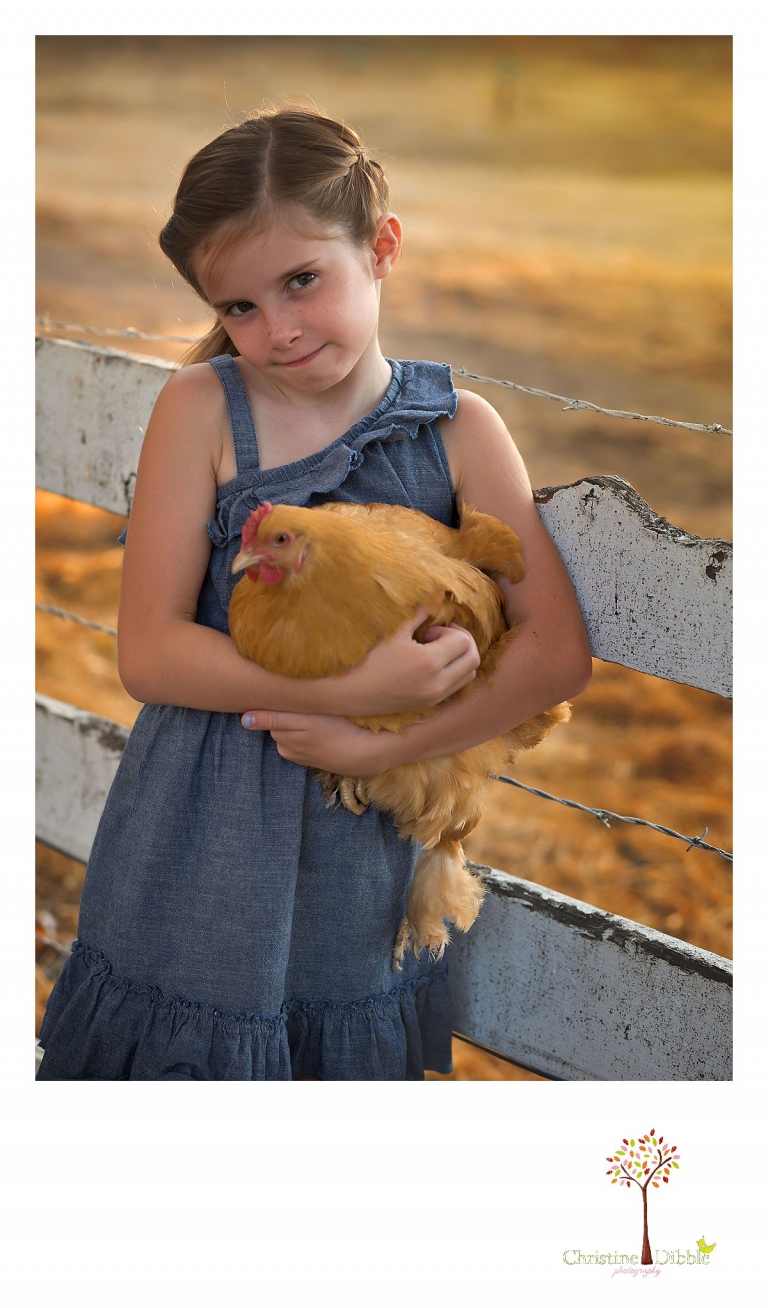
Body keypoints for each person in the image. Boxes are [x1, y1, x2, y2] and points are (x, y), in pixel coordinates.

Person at [36, 107, 591, 1081]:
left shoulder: (459, 431)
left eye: (302, 281)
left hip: (361, 850)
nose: (278, 330)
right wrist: (350, 692)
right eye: (240, 307)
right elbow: (150, 652)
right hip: (198, 838)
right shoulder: (203, 408)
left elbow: (555, 653)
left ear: (381, 249)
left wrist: (388, 739)